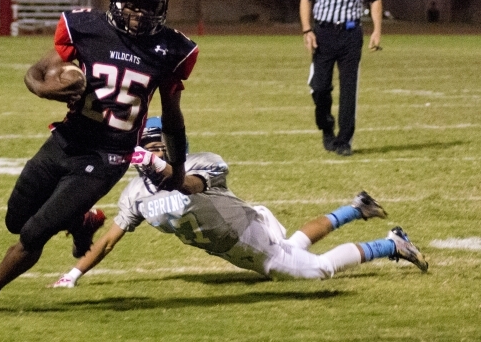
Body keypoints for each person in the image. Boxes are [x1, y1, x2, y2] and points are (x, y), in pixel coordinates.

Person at [0, 0, 199, 315]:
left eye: (148, 6)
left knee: (34, 233)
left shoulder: (170, 50)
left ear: (160, 8)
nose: (139, 14)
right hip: (67, 140)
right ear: (117, 2)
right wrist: (46, 90)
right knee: (16, 220)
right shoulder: (86, 29)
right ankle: (81, 220)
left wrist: (177, 168)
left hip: (108, 157)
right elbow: (36, 72)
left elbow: (173, 117)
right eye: (132, 4)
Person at [51, 117, 428, 288]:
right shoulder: (134, 195)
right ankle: (357, 207)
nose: (153, 154)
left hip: (247, 230)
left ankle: (392, 244)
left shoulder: (202, 163)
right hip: (238, 238)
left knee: (318, 271)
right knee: (296, 246)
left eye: (159, 148)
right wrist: (73, 275)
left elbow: (192, 186)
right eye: (148, 149)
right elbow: (108, 240)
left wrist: (159, 165)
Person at [300, 0, 383, 156]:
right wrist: (307, 30)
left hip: (350, 33)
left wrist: (377, 30)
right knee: (319, 87)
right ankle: (326, 126)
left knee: (349, 90)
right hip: (324, 33)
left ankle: (343, 140)